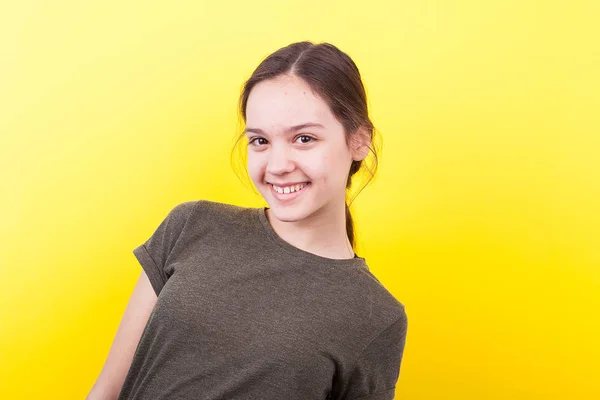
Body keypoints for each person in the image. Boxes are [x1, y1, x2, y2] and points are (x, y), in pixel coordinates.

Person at [87, 40, 408, 400]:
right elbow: (106, 391)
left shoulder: (376, 315)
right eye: (260, 141)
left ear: (359, 140)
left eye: (304, 138)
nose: (277, 165)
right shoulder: (191, 226)